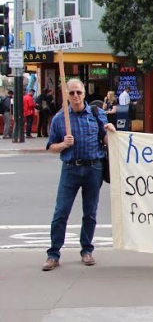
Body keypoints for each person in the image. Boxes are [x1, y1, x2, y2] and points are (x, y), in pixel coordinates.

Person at [42, 78, 115, 272]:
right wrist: (63, 144)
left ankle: (86, 251)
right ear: (66, 95)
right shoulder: (60, 119)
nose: (76, 96)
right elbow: (51, 147)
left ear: (84, 93)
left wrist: (111, 133)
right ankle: (53, 254)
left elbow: (106, 138)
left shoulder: (96, 113)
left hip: (94, 168)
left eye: (79, 92)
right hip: (70, 169)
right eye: (72, 92)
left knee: (90, 213)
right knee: (61, 212)